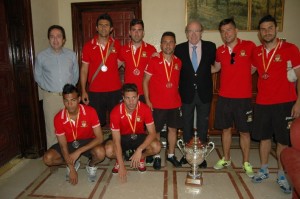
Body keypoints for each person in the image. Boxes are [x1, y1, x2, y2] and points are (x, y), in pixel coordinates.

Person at [251, 15, 300, 194]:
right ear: (259, 33)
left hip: (285, 103)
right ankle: (263, 169)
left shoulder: (290, 49)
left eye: (270, 28)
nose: (267, 32)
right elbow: (246, 70)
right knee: (264, 138)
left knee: (282, 140)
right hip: (263, 102)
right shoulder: (256, 52)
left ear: (276, 28)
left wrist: (298, 102)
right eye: (263, 29)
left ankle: (281, 174)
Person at [211, 18, 255, 177]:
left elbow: (255, 65)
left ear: (236, 30)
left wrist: (242, 76)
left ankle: (246, 162)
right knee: (226, 129)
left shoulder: (249, 46)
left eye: (228, 30)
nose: (226, 34)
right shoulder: (220, 50)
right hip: (224, 97)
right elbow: (216, 68)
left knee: (244, 131)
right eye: (223, 31)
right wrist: (195, 70)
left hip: (243, 98)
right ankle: (226, 158)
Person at [43, 84, 105, 185]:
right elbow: (63, 146)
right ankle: (72, 162)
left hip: (87, 141)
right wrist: (71, 169)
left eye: (73, 100)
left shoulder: (90, 111)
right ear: (63, 101)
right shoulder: (58, 118)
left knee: (101, 153)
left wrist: (78, 151)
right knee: (48, 159)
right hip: (68, 143)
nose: (70, 104)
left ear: (79, 99)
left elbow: (100, 138)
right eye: (66, 101)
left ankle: (91, 165)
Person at [174, 20, 216, 168]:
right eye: (190, 31)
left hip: (204, 92)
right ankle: (187, 155)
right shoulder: (178, 49)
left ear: (201, 32)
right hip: (186, 93)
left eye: (196, 31)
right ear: (186, 33)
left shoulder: (211, 47)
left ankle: (201, 156)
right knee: (186, 125)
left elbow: (216, 66)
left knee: (203, 125)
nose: (193, 34)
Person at [34, 25, 79, 149]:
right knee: (51, 128)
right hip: (51, 98)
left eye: (58, 36)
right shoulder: (41, 56)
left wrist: (69, 91)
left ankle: (72, 155)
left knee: (70, 126)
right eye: (52, 37)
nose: (55, 40)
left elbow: (75, 75)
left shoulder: (71, 55)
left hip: (68, 97)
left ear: (63, 39)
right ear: (49, 39)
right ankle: (54, 157)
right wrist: (49, 87)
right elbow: (38, 76)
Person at [105, 83, 161, 182]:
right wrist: (122, 166)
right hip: (122, 138)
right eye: (127, 98)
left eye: (134, 98)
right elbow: (116, 140)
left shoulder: (145, 109)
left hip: (139, 136)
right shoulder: (115, 112)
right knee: (109, 150)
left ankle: (140, 158)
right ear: (123, 98)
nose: (131, 102)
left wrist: (140, 150)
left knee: (156, 146)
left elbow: (152, 133)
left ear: (138, 97)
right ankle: (119, 160)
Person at [143, 31, 183, 169]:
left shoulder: (178, 61)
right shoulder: (153, 60)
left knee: (173, 130)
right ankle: (157, 156)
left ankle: (171, 155)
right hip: (157, 104)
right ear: (161, 44)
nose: (168, 45)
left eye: (171, 42)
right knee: (156, 131)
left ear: (175, 44)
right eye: (165, 42)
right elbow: (145, 81)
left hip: (174, 103)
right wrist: (147, 100)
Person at [80, 13, 122, 127]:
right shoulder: (88, 46)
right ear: (96, 28)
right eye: (101, 25)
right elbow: (84, 70)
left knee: (116, 121)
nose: (104, 28)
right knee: (98, 123)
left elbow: (124, 61)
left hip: (115, 90)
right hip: (95, 91)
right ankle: (100, 144)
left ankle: (115, 144)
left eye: (107, 25)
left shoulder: (117, 45)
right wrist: (83, 90)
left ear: (111, 28)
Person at [119, 19, 156, 103]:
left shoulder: (151, 49)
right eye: (134, 30)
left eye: (139, 30)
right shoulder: (123, 49)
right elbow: (113, 67)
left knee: (145, 116)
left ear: (143, 32)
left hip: (146, 93)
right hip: (129, 94)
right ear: (129, 32)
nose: (136, 33)